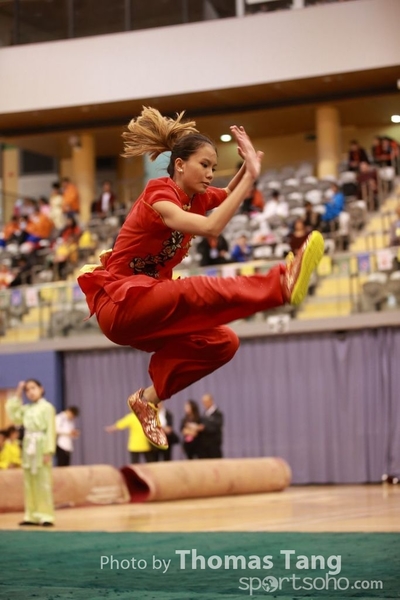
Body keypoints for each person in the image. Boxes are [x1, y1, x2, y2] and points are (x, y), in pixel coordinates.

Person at [77, 107, 324, 450]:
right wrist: (250, 176)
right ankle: (280, 283)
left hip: (149, 308)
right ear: (179, 165)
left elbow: (227, 193)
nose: (210, 174)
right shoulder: (158, 193)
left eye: (214, 168)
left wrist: (247, 167)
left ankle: (147, 399)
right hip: (120, 305)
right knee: (194, 289)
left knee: (223, 342)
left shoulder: (199, 197)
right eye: (204, 165)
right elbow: (212, 227)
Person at [6, 380, 56, 526]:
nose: (30, 392)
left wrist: (48, 451)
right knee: (29, 483)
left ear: (41, 389)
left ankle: (46, 515)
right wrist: (18, 391)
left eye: (33, 388)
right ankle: (31, 516)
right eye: (27, 390)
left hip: (41, 446)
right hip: (28, 447)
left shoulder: (47, 407)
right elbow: (13, 414)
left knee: (43, 482)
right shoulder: (26, 409)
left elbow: (51, 430)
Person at [198, 393, 224, 459]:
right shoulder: (204, 414)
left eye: (205, 402)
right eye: (203, 402)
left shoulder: (218, 413)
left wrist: (205, 427)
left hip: (214, 442)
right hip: (205, 443)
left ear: (210, 401)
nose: (204, 404)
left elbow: (217, 426)